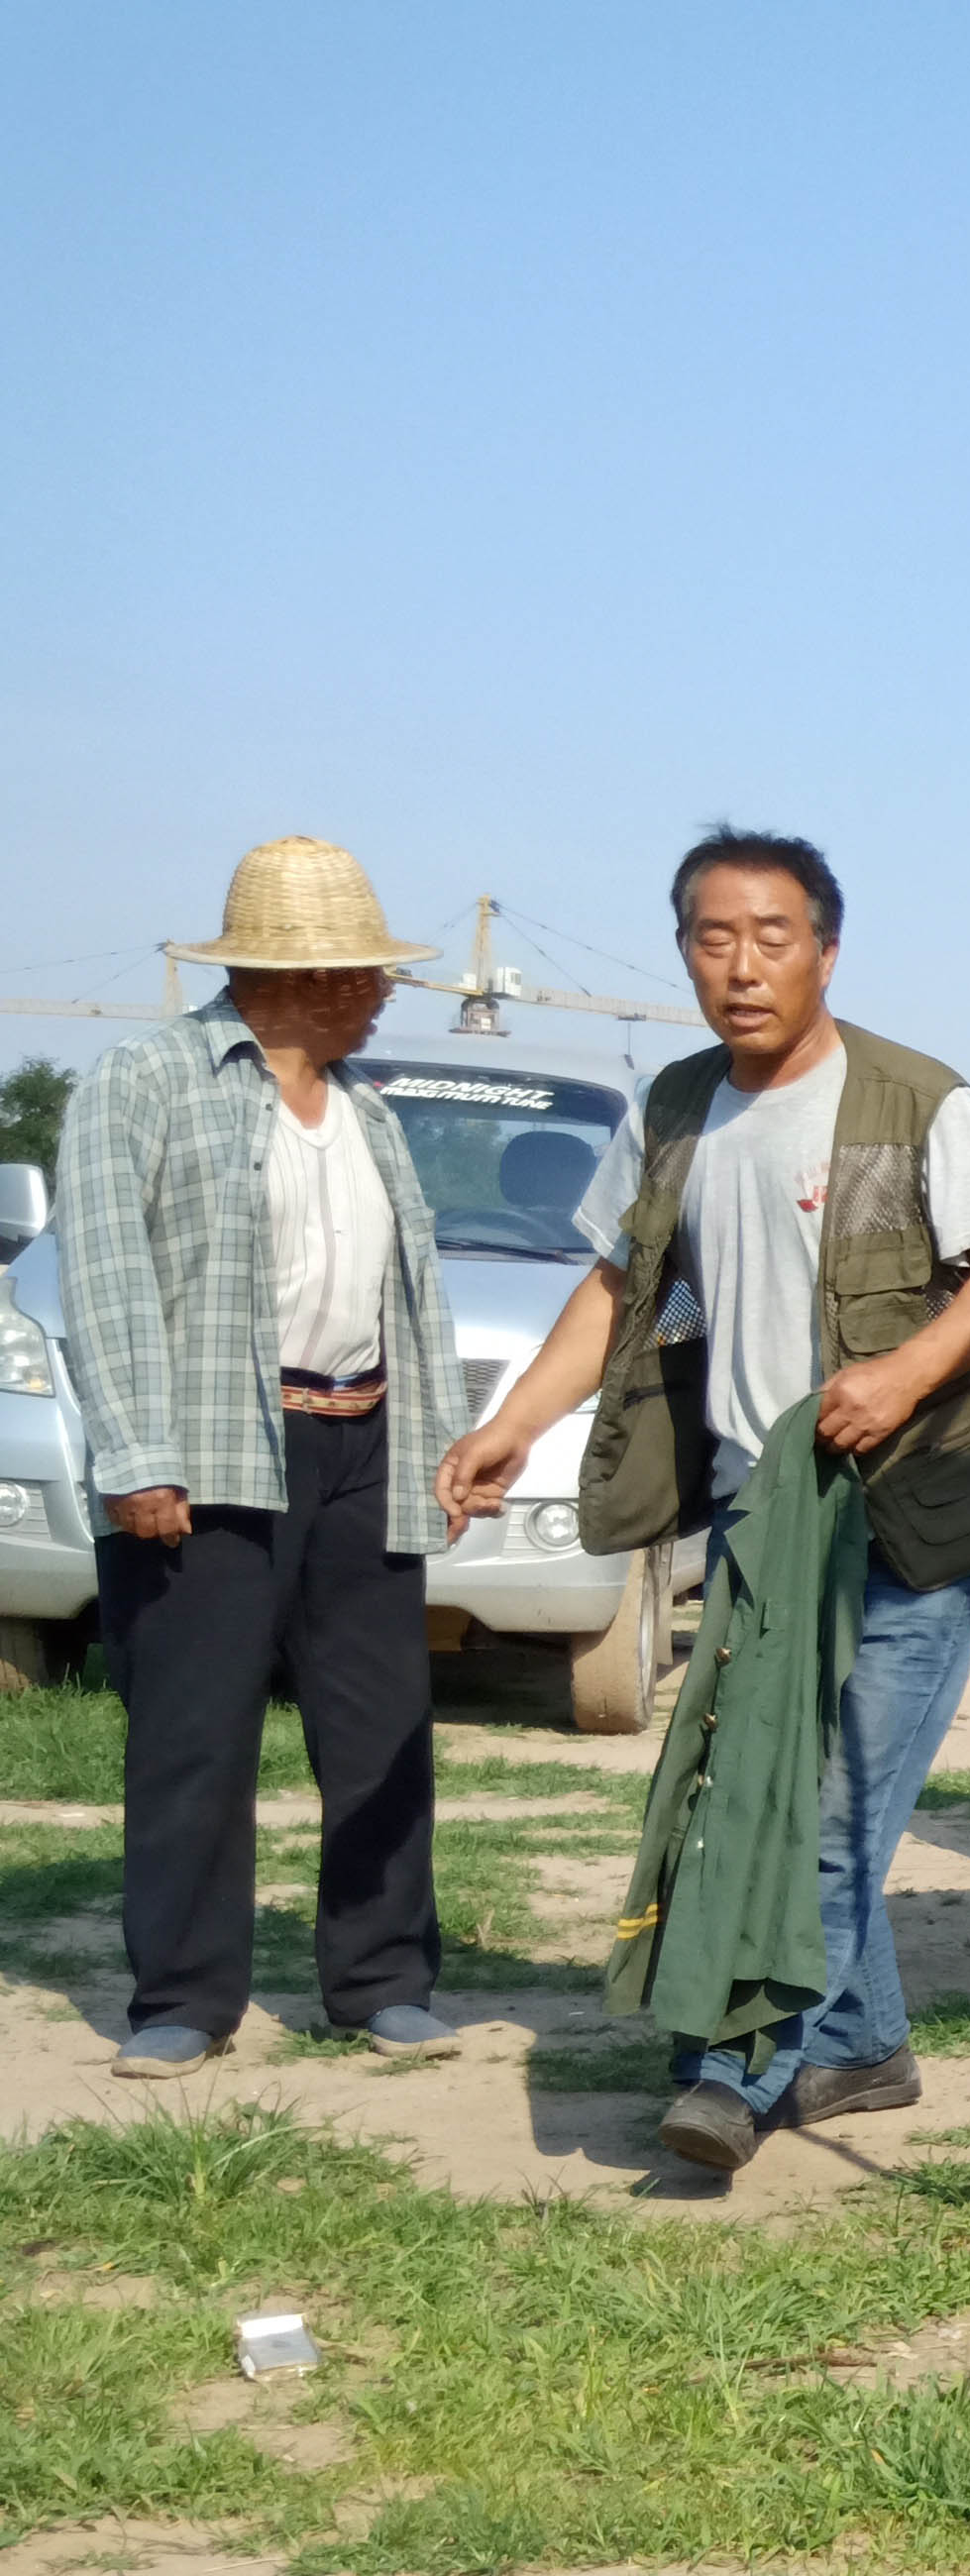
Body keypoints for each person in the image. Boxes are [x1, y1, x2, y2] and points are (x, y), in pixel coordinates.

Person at [442, 828, 970, 2175]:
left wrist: (905, 1371)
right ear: (685, 955)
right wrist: (509, 1427)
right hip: (756, 1518)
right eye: (714, 938)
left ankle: (731, 2063)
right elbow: (618, 1286)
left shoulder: (916, 1101)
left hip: (919, 1512)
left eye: (773, 937)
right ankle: (862, 2048)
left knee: (828, 1811)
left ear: (826, 951)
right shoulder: (672, 1110)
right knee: (766, 1785)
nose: (743, 965)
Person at [54, 836, 469, 2079]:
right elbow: (110, 1279)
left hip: (362, 1439)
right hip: (216, 1451)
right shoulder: (146, 1081)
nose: (388, 992)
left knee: (382, 1728)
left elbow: (410, 1289)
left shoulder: (371, 1112)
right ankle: (181, 1998)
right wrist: (135, 1456)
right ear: (307, 973)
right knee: (195, 1731)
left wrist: (439, 1445)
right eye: (370, 973)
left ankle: (383, 1979)